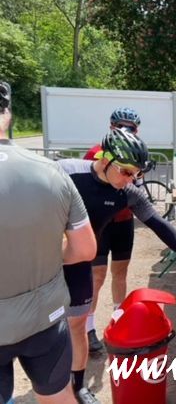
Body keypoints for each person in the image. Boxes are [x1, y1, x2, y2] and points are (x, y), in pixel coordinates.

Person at [59, 128, 176, 403]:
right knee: (42, 329)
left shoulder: (127, 191)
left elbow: (157, 223)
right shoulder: (66, 172)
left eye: (137, 174)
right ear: (105, 159)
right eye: (127, 172)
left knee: (77, 326)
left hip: (79, 261)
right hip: (47, 260)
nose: (131, 179)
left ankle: (78, 386)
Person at [0, 81, 97, 404]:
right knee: (58, 396)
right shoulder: (51, 172)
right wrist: (46, 255)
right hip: (45, 319)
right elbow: (85, 249)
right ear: (8, 115)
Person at [83, 107, 141, 352]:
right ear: (111, 127)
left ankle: (119, 320)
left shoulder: (137, 151)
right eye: (120, 126)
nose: (126, 130)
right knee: (96, 276)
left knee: (120, 273)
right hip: (100, 224)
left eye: (131, 127)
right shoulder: (96, 152)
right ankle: (88, 328)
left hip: (124, 221)